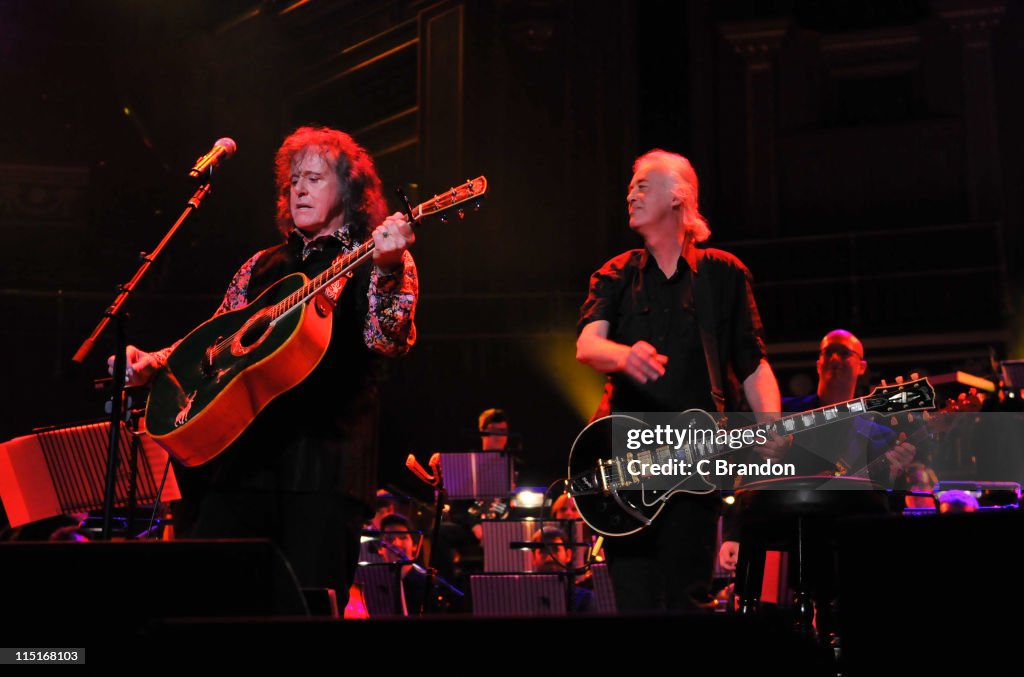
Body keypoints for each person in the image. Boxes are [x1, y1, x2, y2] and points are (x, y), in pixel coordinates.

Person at [108, 126, 418, 603]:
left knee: (308, 608)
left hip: (324, 471)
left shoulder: (378, 256)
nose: (299, 189)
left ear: (350, 192)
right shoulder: (259, 266)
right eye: (293, 181)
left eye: (314, 178)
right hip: (240, 467)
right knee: (212, 604)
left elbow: (387, 338)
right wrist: (151, 362)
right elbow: (209, 344)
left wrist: (389, 267)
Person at [575, 149, 784, 611]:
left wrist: (772, 425)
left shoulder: (724, 273)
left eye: (644, 184)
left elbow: (753, 363)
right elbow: (588, 346)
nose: (631, 192)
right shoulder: (615, 274)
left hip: (695, 464)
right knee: (635, 601)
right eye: (631, 185)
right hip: (627, 468)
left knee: (686, 599)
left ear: (679, 196)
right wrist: (624, 356)